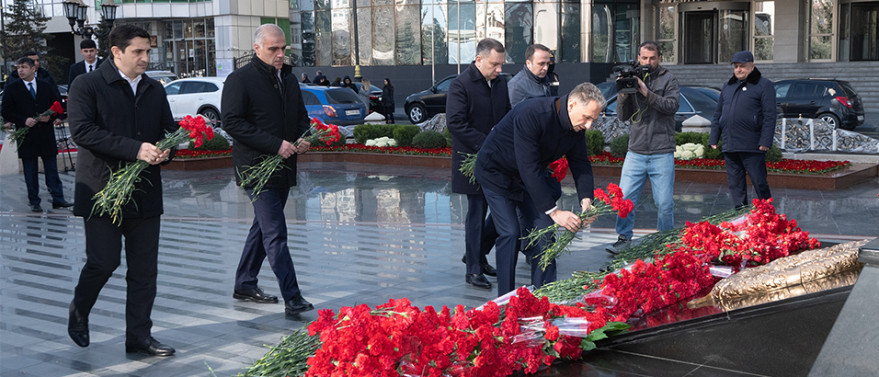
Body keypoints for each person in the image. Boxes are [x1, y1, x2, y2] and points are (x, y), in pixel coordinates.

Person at [66, 24, 178, 356]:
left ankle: (139, 337)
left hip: (144, 193)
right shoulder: (86, 85)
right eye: (138, 52)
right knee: (103, 262)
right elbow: (83, 132)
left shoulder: (155, 90)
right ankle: (79, 310)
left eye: (147, 51)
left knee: (145, 270)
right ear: (116, 52)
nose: (145, 58)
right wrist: (136, 149)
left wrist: (168, 148)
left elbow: (169, 129)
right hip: (102, 192)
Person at [474, 82, 604, 295]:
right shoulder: (533, 113)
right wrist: (555, 211)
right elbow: (529, 167)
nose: (589, 125)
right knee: (510, 231)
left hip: (526, 177)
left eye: (594, 120)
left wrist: (587, 201)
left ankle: (545, 295)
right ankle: (505, 299)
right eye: (587, 118)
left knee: (544, 233)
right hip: (495, 172)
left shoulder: (575, 126)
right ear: (571, 105)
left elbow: (580, 163)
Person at [221, 24, 315, 317]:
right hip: (256, 169)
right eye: (274, 48)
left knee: (262, 227)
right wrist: (276, 145)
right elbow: (232, 123)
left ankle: (245, 283)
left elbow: (300, 116)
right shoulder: (240, 79)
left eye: (283, 48)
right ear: (257, 48)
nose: (280, 54)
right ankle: (293, 296)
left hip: (283, 166)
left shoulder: (288, 78)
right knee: (275, 231)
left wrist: (304, 137)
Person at [446, 38, 510, 290]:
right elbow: (456, 123)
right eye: (495, 64)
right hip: (472, 160)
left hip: (497, 159)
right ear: (479, 59)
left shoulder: (500, 83)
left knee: (501, 210)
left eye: (501, 65)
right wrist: (487, 145)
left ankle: (477, 254)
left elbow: (507, 114)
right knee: (476, 213)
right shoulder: (460, 85)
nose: (499, 70)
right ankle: (473, 269)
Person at [605, 41, 680, 255]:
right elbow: (622, 116)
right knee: (624, 200)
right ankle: (623, 238)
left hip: (661, 151)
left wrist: (647, 92)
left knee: (665, 203)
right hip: (636, 151)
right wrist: (622, 95)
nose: (648, 62)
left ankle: (664, 242)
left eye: (652, 58)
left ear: (660, 58)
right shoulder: (631, 76)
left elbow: (671, 106)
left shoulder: (669, 79)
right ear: (638, 58)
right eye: (644, 58)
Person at [1, 57, 71, 213]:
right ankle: (34, 201)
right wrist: (23, 120)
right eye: (18, 67)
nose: (20, 70)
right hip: (27, 136)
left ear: (33, 69)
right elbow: (5, 110)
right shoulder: (13, 88)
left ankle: (58, 198)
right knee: (30, 170)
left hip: (45, 134)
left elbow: (58, 104)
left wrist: (51, 117)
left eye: (24, 67)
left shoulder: (45, 86)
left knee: (51, 168)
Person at [709, 50, 776, 209]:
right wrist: (714, 137)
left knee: (759, 181)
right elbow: (719, 113)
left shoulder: (764, 85)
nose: (739, 69)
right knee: (735, 183)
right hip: (730, 143)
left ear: (752, 66)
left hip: (752, 144)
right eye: (736, 66)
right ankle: (740, 213)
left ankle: (767, 214)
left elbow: (770, 115)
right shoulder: (728, 86)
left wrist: (765, 141)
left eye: (743, 66)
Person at [507, 43, 552, 108]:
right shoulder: (516, 86)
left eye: (548, 64)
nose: (546, 68)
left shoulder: (544, 78)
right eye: (541, 64)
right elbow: (515, 115)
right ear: (528, 63)